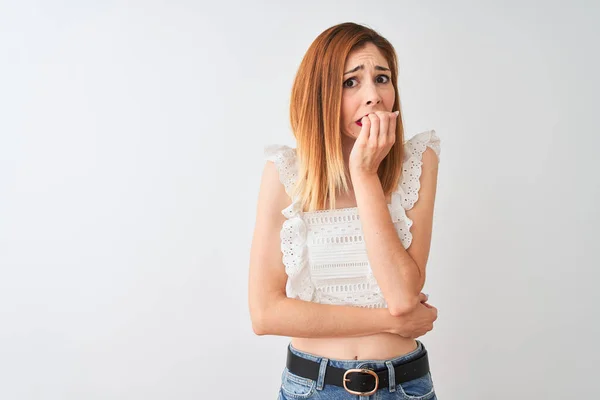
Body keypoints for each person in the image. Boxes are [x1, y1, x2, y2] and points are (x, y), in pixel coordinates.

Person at [248, 22, 441, 399]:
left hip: (403, 387)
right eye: (350, 82)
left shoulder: (418, 161)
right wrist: (390, 321)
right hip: (312, 388)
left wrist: (365, 173)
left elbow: (403, 295)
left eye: (382, 78)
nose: (373, 96)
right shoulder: (286, 172)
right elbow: (265, 314)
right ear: (320, 94)